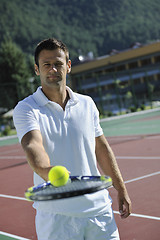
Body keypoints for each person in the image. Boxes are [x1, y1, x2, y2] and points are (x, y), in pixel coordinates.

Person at [13, 38, 131, 240]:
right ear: (36, 69)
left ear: (68, 66)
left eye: (58, 64)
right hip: (57, 218)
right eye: (46, 65)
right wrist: (47, 171)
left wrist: (121, 187)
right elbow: (32, 144)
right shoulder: (26, 108)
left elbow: (101, 148)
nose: (53, 69)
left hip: (99, 212)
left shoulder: (87, 103)